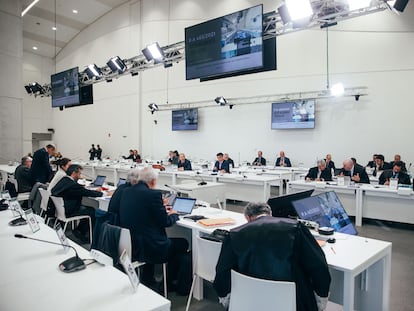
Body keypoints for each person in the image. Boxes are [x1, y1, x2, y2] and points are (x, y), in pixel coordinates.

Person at [213, 202, 331, 311]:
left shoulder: (234, 235)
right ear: (271, 214)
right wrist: (321, 295)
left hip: (248, 300)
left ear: (247, 218)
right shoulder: (296, 228)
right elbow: (318, 265)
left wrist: (226, 298)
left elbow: (222, 270)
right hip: (295, 301)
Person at [119, 167, 190, 293]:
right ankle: (167, 283)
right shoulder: (153, 194)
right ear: (153, 181)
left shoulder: (127, 191)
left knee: (154, 236)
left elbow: (142, 211)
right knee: (183, 243)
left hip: (131, 243)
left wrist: (159, 206)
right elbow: (165, 222)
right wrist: (174, 214)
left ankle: (148, 277)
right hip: (151, 246)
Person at [51, 164, 103, 242]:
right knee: (91, 210)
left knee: (86, 208)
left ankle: (79, 230)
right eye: (79, 173)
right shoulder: (72, 185)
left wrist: (81, 187)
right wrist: (101, 193)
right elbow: (86, 192)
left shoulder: (64, 180)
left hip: (60, 209)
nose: (80, 175)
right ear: (74, 173)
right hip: (69, 210)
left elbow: (77, 190)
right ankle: (83, 234)